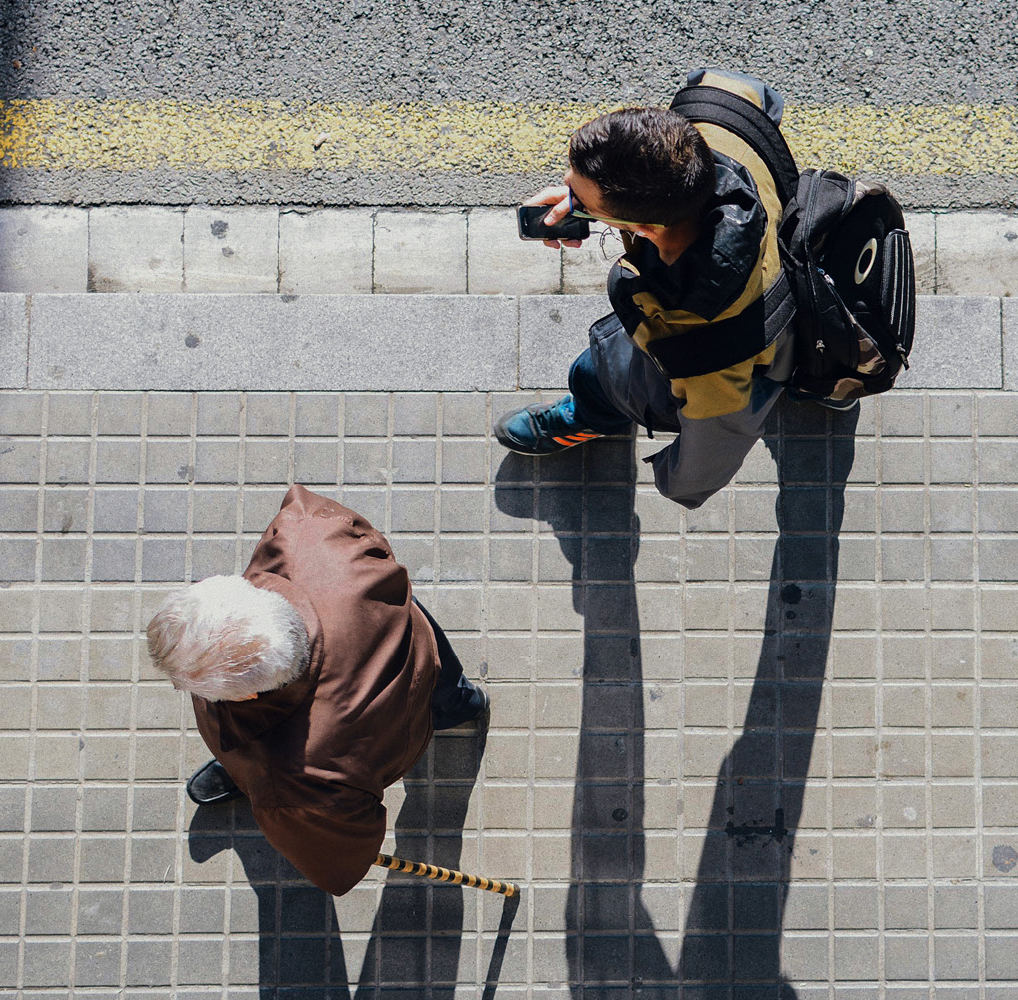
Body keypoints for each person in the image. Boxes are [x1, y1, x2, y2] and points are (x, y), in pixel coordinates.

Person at [493, 68, 845, 510]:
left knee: (597, 371)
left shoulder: (702, 347)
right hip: (791, 285)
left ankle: (591, 414)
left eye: (579, 198)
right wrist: (591, 206)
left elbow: (714, 443)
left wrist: (676, 483)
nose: (566, 194)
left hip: (745, 347)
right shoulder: (716, 112)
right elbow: (759, 95)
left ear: (644, 228)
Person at [147, 485, 487, 896]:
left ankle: (247, 771)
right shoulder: (305, 531)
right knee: (448, 690)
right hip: (406, 632)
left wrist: (273, 791)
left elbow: (340, 861)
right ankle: (463, 703)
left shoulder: (298, 783)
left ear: (248, 698)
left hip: (368, 746)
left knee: (259, 765)